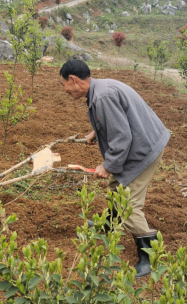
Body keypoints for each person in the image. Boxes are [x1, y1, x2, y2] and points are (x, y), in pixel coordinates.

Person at [59, 59, 170, 278]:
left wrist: (107, 165)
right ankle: (109, 225)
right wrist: (96, 132)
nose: (65, 90)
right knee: (116, 186)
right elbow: (118, 120)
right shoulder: (100, 88)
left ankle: (150, 256)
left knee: (128, 203)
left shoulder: (103, 96)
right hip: (142, 141)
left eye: (64, 84)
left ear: (74, 80)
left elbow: (122, 137)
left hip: (144, 150)